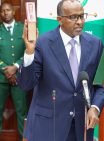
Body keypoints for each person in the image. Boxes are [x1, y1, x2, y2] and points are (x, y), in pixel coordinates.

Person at [17, 0, 104, 141]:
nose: (79, 22)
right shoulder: (43, 43)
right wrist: (29, 52)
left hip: (80, 128)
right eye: (73, 17)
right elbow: (26, 84)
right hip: (48, 127)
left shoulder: (95, 44)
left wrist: (95, 107)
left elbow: (102, 84)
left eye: (82, 16)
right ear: (59, 19)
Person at [0, 2, 27, 139]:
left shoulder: (23, 29)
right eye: (3, 11)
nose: (6, 13)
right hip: (1, 79)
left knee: (22, 112)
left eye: (8, 10)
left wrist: (16, 66)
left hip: (19, 77)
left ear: (13, 11)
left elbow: (29, 51)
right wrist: (5, 69)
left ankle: (24, 138)